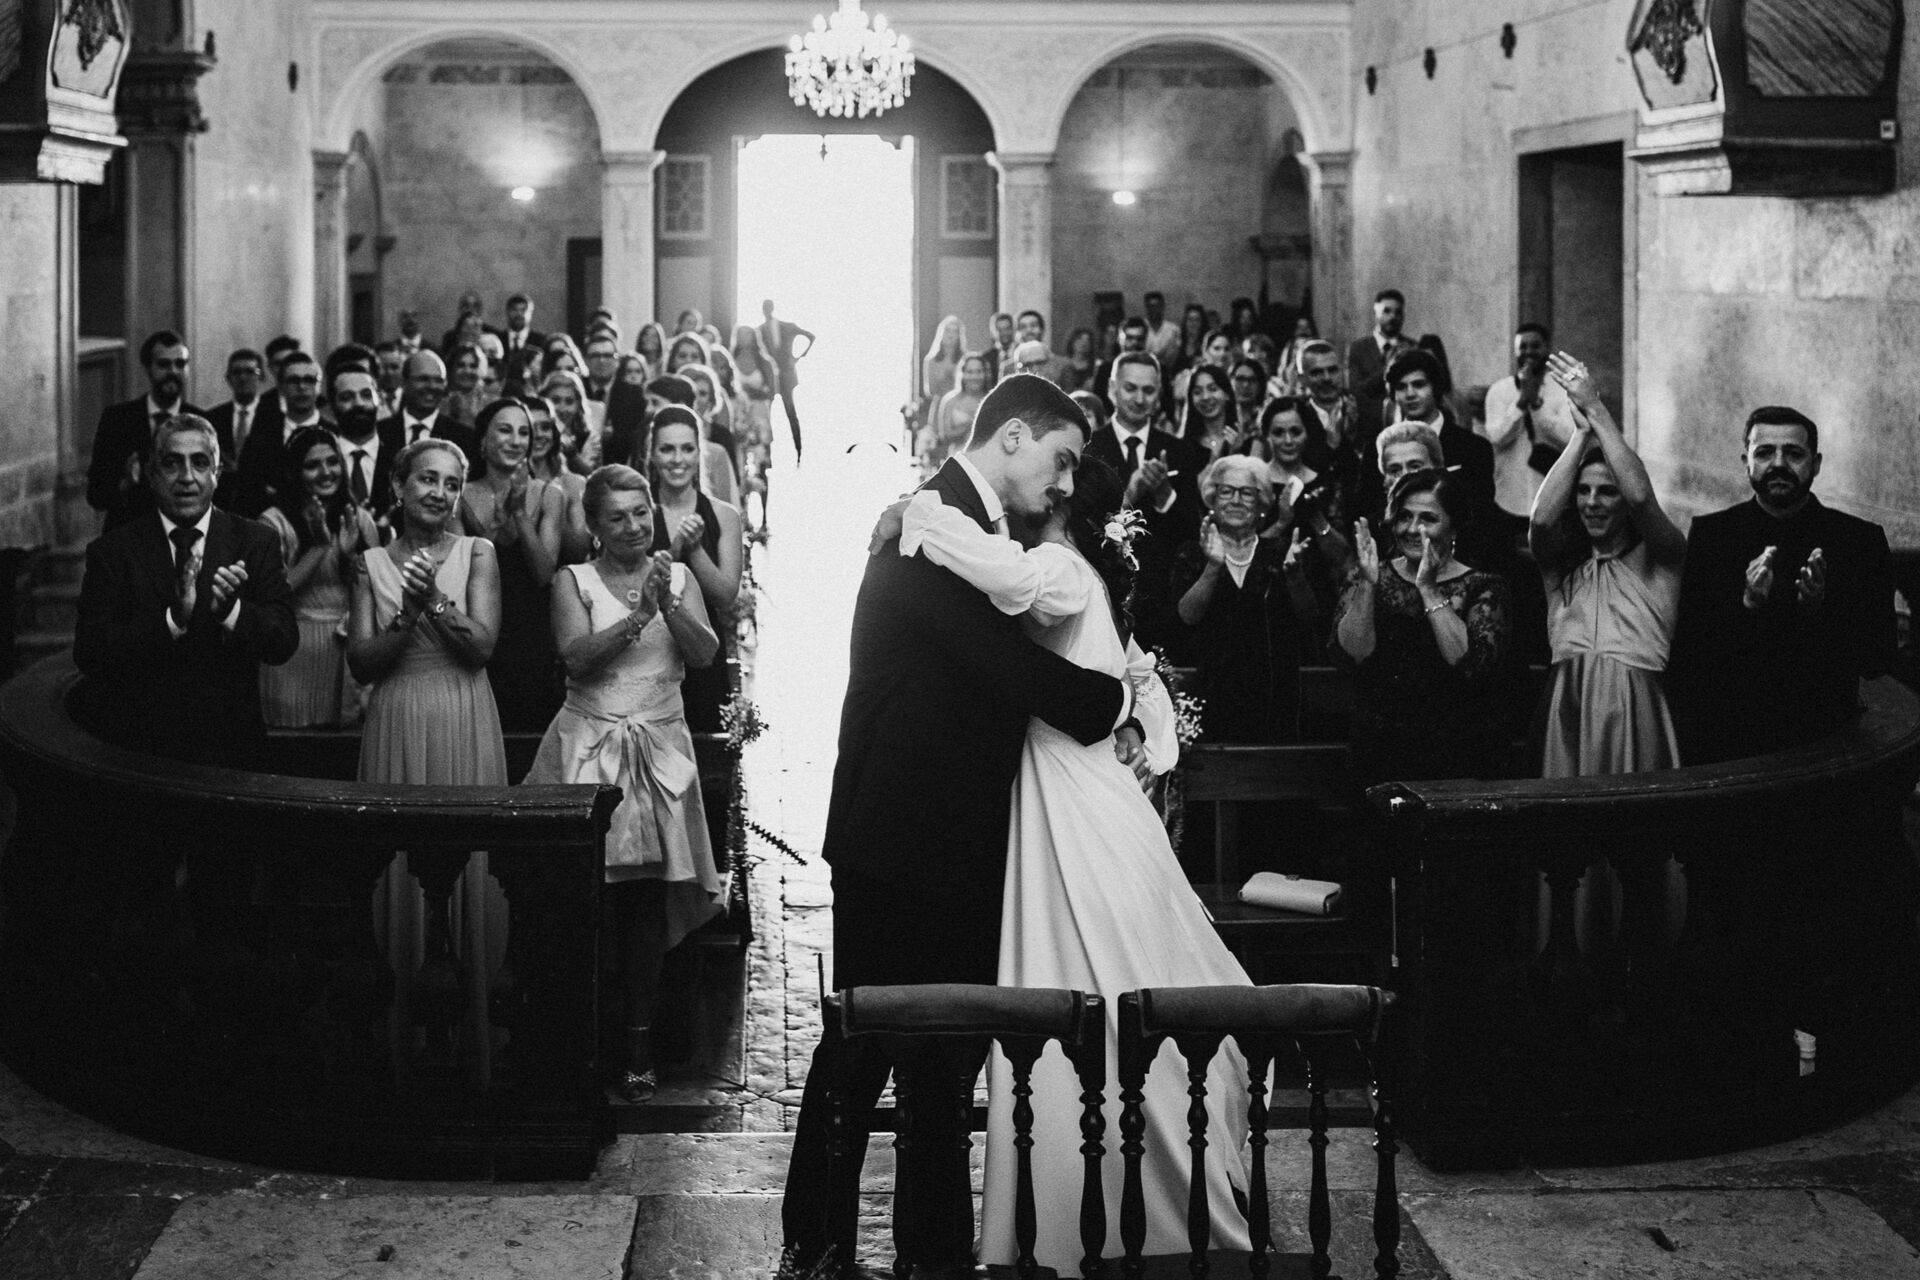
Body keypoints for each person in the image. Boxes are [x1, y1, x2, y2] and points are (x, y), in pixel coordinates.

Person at [777, 376, 1133, 1280]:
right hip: (900, 840)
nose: (1065, 484)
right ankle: (816, 1247)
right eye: (1061, 459)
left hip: (957, 839)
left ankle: (927, 1257)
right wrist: (1113, 696)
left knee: (941, 1070)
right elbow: (1005, 668)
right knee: (863, 1054)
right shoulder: (928, 529)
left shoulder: (969, 533)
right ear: (1012, 436)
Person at [868, 453, 1254, 1273]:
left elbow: (1003, 581)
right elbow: (1142, 677)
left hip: (1068, 797)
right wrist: (1143, 730)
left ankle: (1096, 1189)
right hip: (1075, 790)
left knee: (1090, 969)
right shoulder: (1089, 577)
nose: (1053, 488)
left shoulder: (1057, 568)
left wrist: (918, 515)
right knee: (1093, 969)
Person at [524, 464, 723, 1104]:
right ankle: (587, 1039)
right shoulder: (571, 580)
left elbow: (703, 654)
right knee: (588, 902)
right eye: (619, 516)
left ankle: (640, 1039)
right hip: (590, 748)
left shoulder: (681, 577)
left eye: (642, 513)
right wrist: (637, 617)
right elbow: (576, 657)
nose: (635, 526)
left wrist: (667, 605)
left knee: (644, 905)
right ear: (595, 525)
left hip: (660, 751)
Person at [1667, 405, 1895, 764]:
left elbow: (1878, 658)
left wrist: (1820, 608)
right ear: (1747, 461)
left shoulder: (1859, 541)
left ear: (1816, 464)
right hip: (1733, 744)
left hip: (1828, 744)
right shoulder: (1712, 536)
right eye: (1764, 452)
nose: (1778, 464)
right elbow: (1689, 661)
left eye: (1793, 453)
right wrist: (1746, 605)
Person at [74, 415, 298, 765]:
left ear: (218, 473)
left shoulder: (256, 542)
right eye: (171, 463)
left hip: (232, 748)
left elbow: (283, 641)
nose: (187, 478)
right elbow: (91, 654)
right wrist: (172, 621)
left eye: (200, 462)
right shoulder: (114, 551)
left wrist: (232, 613)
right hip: (141, 750)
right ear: (151, 474)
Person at [1527, 354, 1686, 774]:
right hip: (1568, 712)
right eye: (1583, 491)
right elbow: (1542, 520)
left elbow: (1640, 497)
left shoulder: (1660, 560)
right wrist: (1580, 439)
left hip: (1637, 714)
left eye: (1606, 492)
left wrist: (1596, 410)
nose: (1592, 503)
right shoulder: (1563, 570)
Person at [1333, 467, 1513, 786]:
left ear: (1454, 528)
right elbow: (1353, 657)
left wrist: (1428, 588)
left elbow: (1471, 665)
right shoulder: (1369, 576)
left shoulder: (1483, 587)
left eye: (1428, 519)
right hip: (1379, 751)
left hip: (1457, 754)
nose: (1412, 529)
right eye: (1404, 517)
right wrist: (1368, 584)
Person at [347, 437, 506, 785]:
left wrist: (434, 599)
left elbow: (482, 649)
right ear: (398, 486)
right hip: (397, 710)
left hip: (462, 706)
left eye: (452, 485)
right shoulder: (368, 564)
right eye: (428, 479)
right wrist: (406, 618)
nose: (439, 492)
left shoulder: (478, 552)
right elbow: (359, 666)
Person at [1173, 455, 1318, 742]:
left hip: (1274, 695)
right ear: (1212, 501)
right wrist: (1213, 566)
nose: (1236, 500)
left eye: (1246, 493)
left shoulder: (1283, 551)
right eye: (1226, 491)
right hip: (1212, 692)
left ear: (1262, 503)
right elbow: (1187, 616)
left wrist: (1294, 575)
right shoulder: (1192, 552)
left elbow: (1309, 617)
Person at [1084, 352, 1206, 660]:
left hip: (1162, 598)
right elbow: (1081, 524)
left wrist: (1165, 494)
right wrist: (1132, 492)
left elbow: (1193, 532)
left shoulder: (1179, 451)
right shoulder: (1089, 448)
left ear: (1159, 395)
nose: (1139, 398)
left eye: (1148, 390)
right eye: (1130, 388)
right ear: (1112, 389)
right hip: (1101, 593)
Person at [258, 427, 380, 727]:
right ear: (295, 472)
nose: (327, 472)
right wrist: (320, 547)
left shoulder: (359, 518)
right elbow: (271, 594)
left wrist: (349, 556)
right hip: (292, 653)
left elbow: (380, 591)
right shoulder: (273, 521)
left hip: (347, 653)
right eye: (313, 465)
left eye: (332, 461)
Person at [459, 398, 566, 737]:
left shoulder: (550, 494)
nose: (515, 440)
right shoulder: (460, 495)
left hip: (531, 637)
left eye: (524, 433)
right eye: (505, 430)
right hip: (476, 632)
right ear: (483, 441)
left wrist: (519, 514)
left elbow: (544, 573)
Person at [647, 407, 743, 735]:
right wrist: (674, 550)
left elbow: (726, 595)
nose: (678, 459)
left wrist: (696, 549)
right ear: (652, 454)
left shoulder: (724, 516)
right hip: (648, 658)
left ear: (699, 452)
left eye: (687, 449)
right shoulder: (638, 513)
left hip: (704, 654)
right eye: (667, 449)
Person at [89, 332, 208, 530]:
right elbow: (96, 495)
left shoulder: (201, 422)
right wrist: (125, 484)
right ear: (148, 368)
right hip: (128, 535)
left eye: (180, 364)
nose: (173, 371)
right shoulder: (117, 420)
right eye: (164, 364)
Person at [1484, 323, 1577, 528]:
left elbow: (1570, 437)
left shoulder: (1563, 391)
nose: (1529, 352)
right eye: (1523, 346)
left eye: (1535, 346)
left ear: (1546, 348)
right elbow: (1496, 438)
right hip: (1508, 497)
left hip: (1553, 496)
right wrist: (1520, 404)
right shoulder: (1499, 391)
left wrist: (1536, 405)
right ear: (1515, 351)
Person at [233, 350, 326, 519]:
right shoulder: (259, 439)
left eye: (309, 380)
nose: (302, 387)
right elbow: (245, 496)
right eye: (293, 381)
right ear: (281, 387)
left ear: (319, 386)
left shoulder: (333, 433)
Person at [526, 392, 592, 564]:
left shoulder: (573, 484)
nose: (539, 435)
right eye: (531, 428)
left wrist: (553, 499)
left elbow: (580, 551)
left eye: (545, 427)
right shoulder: (503, 482)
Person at [206, 348, 273, 510]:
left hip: (263, 505)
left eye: (250, 371)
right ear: (228, 378)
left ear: (261, 376)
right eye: (237, 372)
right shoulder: (213, 418)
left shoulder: (274, 417)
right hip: (222, 503)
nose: (243, 378)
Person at [759, 299, 815, 460]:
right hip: (768, 378)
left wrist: (798, 357)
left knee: (791, 413)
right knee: (766, 416)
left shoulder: (788, 326)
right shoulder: (760, 331)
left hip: (786, 375)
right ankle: (766, 455)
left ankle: (799, 449)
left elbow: (811, 336)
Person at [927, 351, 990, 471]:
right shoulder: (950, 401)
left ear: (985, 373)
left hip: (986, 462)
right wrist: (972, 424)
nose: (974, 377)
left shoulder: (992, 399)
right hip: (957, 461)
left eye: (979, 371)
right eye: (970, 372)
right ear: (963, 374)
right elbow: (944, 436)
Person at [1177, 362, 1237, 459]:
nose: (1205, 397)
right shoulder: (1182, 447)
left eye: (1212, 389)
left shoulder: (1243, 441)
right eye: (1197, 392)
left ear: (1227, 394)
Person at [920, 315, 965, 414]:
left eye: (955, 331)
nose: (951, 335)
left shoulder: (965, 359)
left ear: (959, 335)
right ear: (941, 333)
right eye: (947, 330)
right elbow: (930, 392)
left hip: (961, 408)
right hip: (939, 408)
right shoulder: (931, 360)